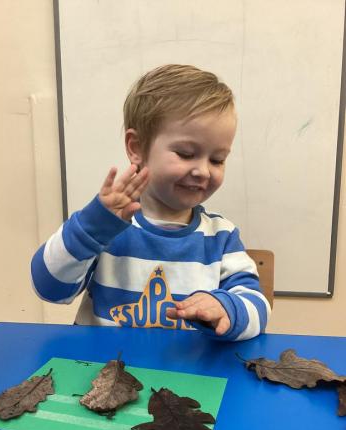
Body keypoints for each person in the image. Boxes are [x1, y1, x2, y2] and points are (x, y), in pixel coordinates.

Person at [31, 64, 271, 341]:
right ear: (136, 148)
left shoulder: (221, 236)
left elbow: (257, 307)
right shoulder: (105, 227)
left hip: (187, 376)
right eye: (185, 153)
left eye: (217, 159)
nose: (204, 171)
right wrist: (90, 229)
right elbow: (48, 288)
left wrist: (227, 307)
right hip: (102, 373)